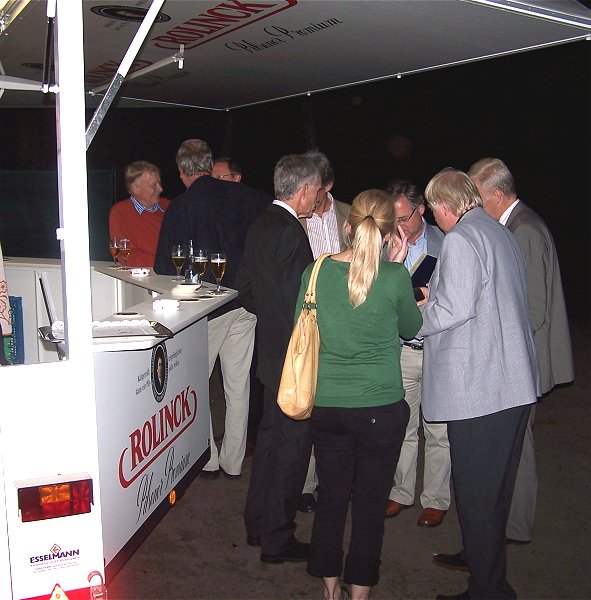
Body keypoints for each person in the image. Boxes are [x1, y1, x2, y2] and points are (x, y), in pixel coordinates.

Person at [419, 169, 538, 600]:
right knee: (494, 495)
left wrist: (410, 321)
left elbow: (453, 311)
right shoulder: (497, 230)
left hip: (481, 391)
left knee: (476, 499)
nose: (432, 217)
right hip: (510, 384)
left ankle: (488, 591)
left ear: (444, 205)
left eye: (432, 209)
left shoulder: (461, 238)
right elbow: (483, 299)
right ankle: (483, 568)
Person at [305, 189, 422, 600]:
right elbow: (411, 328)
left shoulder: (317, 271)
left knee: (331, 500)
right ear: (390, 235)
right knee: (371, 508)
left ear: (347, 226)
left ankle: (330, 590)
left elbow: (302, 325)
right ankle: (359, 594)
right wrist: (396, 268)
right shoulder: (394, 277)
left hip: (329, 405)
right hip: (381, 408)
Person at [468, 158, 574, 540]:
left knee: (519, 447)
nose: (473, 206)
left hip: (524, 361)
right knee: (515, 444)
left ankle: (515, 527)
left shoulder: (523, 229)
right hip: (520, 358)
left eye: (477, 198)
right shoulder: (515, 225)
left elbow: (532, 310)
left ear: (496, 194)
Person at [154, 139, 271, 479]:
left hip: (207, 309)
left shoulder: (182, 207)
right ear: (207, 164)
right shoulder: (251, 198)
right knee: (238, 386)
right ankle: (234, 462)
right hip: (245, 303)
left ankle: (208, 459)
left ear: (182, 171)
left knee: (196, 384)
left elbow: (164, 268)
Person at [238, 154, 323, 564]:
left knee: (270, 444)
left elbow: (244, 289)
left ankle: (257, 524)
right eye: (317, 190)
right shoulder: (291, 232)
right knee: (291, 449)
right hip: (293, 360)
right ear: (303, 190)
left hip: (270, 353)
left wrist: (271, 319)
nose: (318, 198)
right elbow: (301, 306)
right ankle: (277, 539)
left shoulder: (260, 224)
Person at [384, 179, 449, 528]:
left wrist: (430, 292)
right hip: (402, 348)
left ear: (421, 210)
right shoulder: (383, 244)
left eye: (404, 218)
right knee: (403, 424)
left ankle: (436, 499)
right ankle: (400, 491)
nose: (399, 226)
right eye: (392, 219)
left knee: (438, 428)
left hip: (438, 348)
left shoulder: (447, 240)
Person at [298, 149, 351, 514]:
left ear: (327, 185)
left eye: (312, 185)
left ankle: (337, 482)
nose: (304, 190)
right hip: (310, 323)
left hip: (346, 325)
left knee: (339, 407)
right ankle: (305, 484)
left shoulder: (350, 214)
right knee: (309, 400)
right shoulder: (294, 218)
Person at [109, 161, 170, 268]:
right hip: (144, 274)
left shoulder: (169, 206)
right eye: (154, 185)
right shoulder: (120, 212)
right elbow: (126, 255)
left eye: (159, 183)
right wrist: (165, 264)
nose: (160, 189)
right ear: (136, 188)